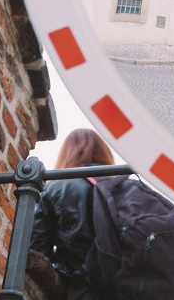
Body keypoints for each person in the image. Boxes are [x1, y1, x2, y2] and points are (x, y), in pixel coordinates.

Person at [29, 128, 114, 300]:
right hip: (132, 287)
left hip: (82, 290)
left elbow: (36, 249)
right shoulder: (127, 187)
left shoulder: (57, 186)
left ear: (67, 154)